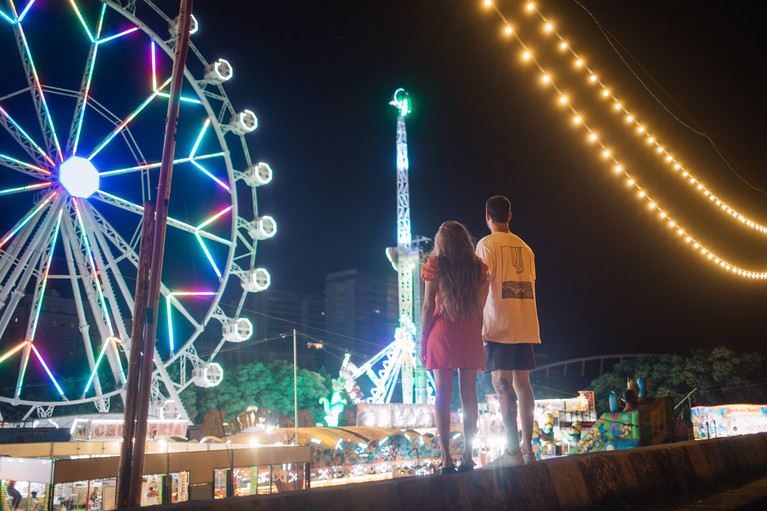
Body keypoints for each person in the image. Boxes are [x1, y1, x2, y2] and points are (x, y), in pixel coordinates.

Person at [476, 195, 541, 467]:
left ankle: (512, 452)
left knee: (502, 385)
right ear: (510, 216)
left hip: (498, 325)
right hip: (525, 322)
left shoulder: (486, 244)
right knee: (523, 385)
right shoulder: (526, 248)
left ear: (487, 216)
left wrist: (476, 324)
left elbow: (481, 285)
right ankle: (528, 449)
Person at [420, 221, 490, 474]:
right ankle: (469, 458)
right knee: (469, 396)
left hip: (441, 332)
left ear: (442, 241)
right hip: (469, 330)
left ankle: (447, 459)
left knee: (442, 396)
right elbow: (480, 307)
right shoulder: (478, 268)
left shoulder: (435, 264)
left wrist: (422, 340)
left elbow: (428, 306)